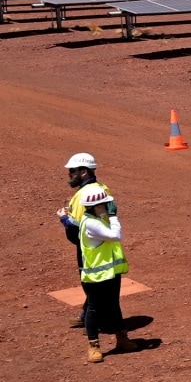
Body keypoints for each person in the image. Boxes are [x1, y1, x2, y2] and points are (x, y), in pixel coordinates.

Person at [75, 183, 131, 364]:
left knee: (114, 305)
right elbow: (115, 235)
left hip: (110, 273)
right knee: (93, 309)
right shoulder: (91, 223)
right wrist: (114, 217)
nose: (109, 207)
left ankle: (122, 338)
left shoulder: (98, 217)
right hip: (96, 276)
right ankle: (93, 346)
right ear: (97, 206)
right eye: (105, 204)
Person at [58, 152, 106, 329]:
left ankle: (94, 320)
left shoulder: (89, 193)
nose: (69, 174)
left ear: (84, 172)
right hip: (90, 245)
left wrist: (64, 218)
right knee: (91, 284)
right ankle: (87, 314)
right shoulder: (94, 189)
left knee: (93, 284)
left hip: (92, 248)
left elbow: (80, 227)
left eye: (72, 170)